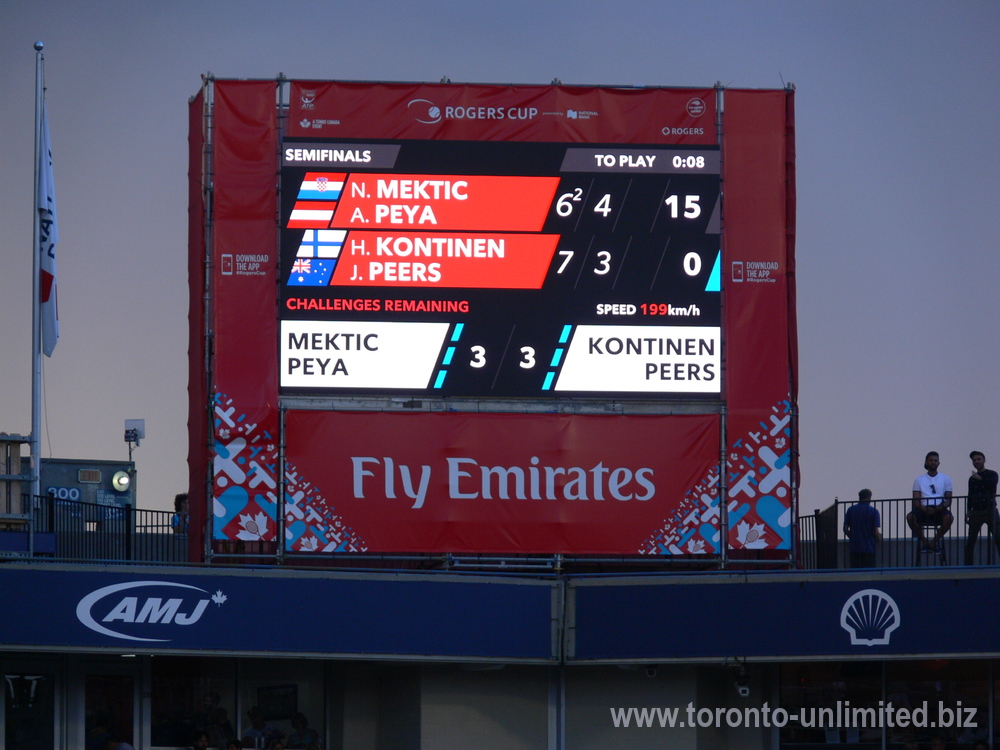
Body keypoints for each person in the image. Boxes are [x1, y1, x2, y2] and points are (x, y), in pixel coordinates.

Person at [907, 451, 953, 552]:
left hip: (939, 508)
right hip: (923, 508)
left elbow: (949, 500)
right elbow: (916, 500)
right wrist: (924, 508)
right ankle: (925, 542)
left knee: (949, 518)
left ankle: (933, 543)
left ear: (938, 463)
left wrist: (940, 507)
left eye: (935, 461)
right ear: (926, 462)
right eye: (931, 460)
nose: (933, 462)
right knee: (910, 517)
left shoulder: (946, 479)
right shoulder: (919, 480)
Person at [964, 450, 1000, 565]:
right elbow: (970, 495)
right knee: (971, 541)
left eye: (979, 459)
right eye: (974, 460)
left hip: (990, 510)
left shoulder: (992, 474)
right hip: (976, 511)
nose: (976, 461)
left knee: (998, 537)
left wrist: (980, 479)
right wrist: (968, 512)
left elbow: (992, 483)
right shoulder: (972, 479)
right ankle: (968, 566)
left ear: (984, 460)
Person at [843, 488, 882, 568]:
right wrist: (879, 538)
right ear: (869, 498)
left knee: (855, 575)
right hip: (869, 549)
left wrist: (852, 536)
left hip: (854, 548)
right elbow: (875, 532)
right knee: (868, 575)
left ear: (859, 497)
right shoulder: (874, 511)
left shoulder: (851, 510)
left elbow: (845, 529)